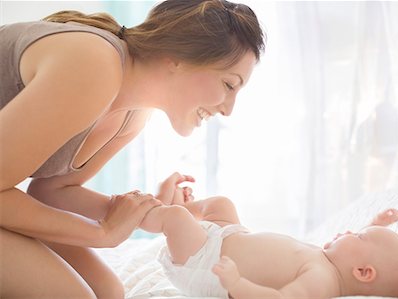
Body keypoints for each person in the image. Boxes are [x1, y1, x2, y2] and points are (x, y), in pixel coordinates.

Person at [0, 0, 265, 297]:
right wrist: (101, 233)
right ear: (178, 57)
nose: (229, 110)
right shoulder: (94, 64)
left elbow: (51, 191)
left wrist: (150, 212)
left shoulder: (133, 114)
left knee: (110, 292)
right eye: (229, 85)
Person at [139, 173, 398, 299]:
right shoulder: (331, 262)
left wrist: (236, 283)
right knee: (221, 204)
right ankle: (184, 209)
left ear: (362, 272)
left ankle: (148, 215)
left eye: (359, 237)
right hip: (226, 237)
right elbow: (364, 250)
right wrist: (378, 225)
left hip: (206, 265)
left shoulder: (321, 281)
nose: (350, 231)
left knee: (175, 221)